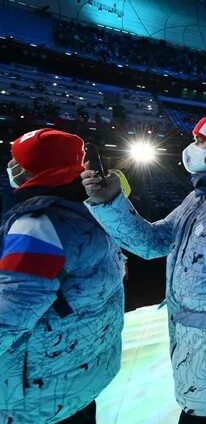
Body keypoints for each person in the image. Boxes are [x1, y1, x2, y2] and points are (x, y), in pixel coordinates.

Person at [82, 111, 206, 423]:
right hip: (197, 350)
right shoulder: (198, 198)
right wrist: (110, 202)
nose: (192, 147)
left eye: (201, 142)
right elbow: (152, 243)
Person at [0, 129, 124, 423]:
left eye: (15, 159)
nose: (10, 165)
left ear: (30, 169)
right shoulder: (98, 209)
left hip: (37, 397)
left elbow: (13, 312)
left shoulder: (37, 225)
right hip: (82, 378)